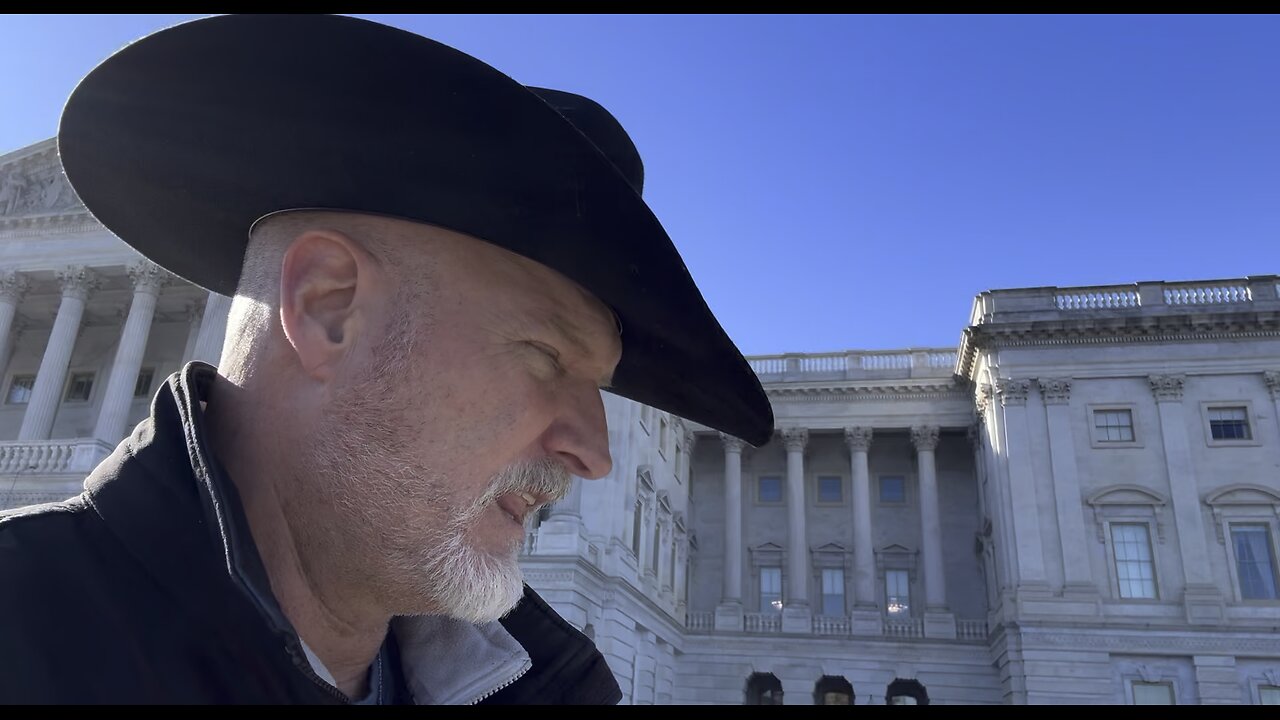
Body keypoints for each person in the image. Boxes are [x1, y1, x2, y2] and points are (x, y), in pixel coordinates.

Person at [0, 14, 772, 704]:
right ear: (328, 307)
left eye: (598, 388)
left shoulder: (558, 687)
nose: (594, 451)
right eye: (544, 355)